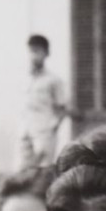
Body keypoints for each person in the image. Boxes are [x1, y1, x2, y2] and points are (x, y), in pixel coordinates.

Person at [16, 35, 67, 171]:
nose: (34, 56)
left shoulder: (54, 80)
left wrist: (51, 130)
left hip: (44, 133)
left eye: (38, 51)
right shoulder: (25, 78)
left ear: (46, 54)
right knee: (23, 171)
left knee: (43, 172)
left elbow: (62, 109)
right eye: (31, 51)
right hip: (25, 131)